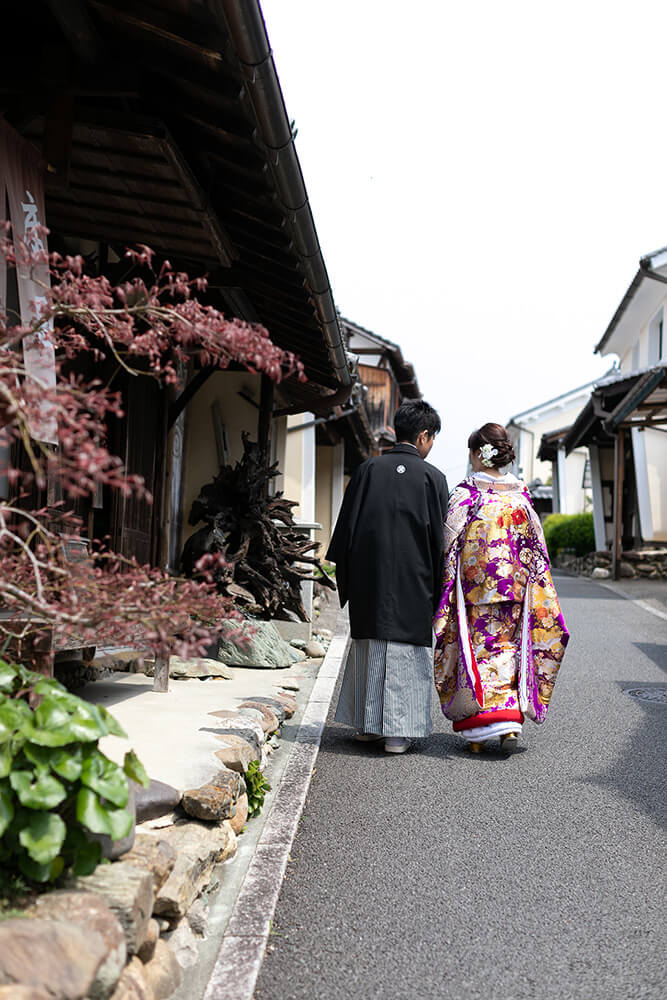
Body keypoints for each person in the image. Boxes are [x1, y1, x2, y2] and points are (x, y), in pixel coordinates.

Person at [433, 422, 568, 752]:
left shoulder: (467, 495)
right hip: (516, 590)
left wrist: (447, 578)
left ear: (479, 455)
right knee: (508, 651)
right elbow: (537, 547)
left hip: (475, 589)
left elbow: (448, 541)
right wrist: (537, 583)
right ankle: (509, 724)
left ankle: (479, 730)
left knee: (477, 653)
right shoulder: (521, 497)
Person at [326, 399, 449, 753]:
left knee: (371, 645)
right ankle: (397, 733)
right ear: (424, 436)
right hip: (416, 579)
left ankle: (366, 725)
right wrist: (441, 586)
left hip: (370, 576)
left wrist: (348, 576)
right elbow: (442, 541)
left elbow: (346, 529)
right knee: (406, 652)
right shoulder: (433, 478)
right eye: (432, 438)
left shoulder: (368, 470)